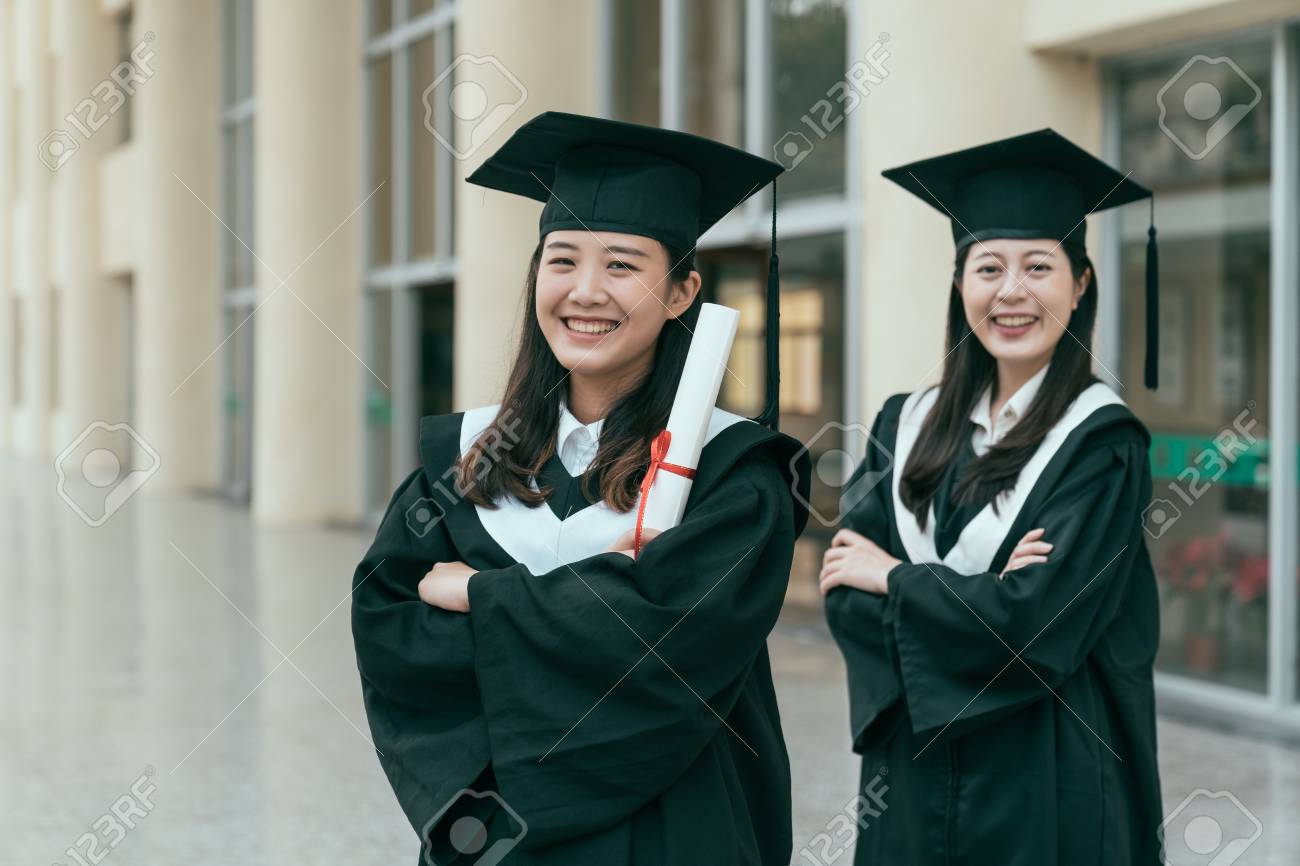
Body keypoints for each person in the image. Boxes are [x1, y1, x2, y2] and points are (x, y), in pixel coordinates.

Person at [351, 110, 812, 865]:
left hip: (677, 832)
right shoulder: (461, 463)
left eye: (624, 266)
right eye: (562, 261)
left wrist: (482, 596)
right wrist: (604, 608)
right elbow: (393, 632)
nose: (585, 291)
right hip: (500, 833)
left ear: (681, 291)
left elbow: (674, 649)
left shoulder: (737, 476)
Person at [821, 129, 1164, 864]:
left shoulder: (1102, 445)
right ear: (959, 284)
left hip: (1048, 776)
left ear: (1079, 285)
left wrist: (895, 578)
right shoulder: (901, 423)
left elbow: (1038, 629)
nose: (1011, 292)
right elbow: (843, 595)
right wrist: (980, 599)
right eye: (989, 268)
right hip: (912, 774)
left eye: (1038, 267)